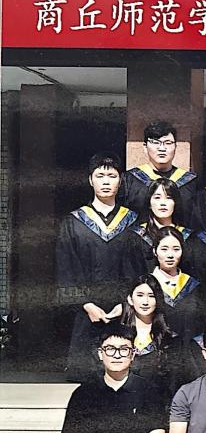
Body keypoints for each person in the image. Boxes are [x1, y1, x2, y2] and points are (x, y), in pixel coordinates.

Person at [57, 151, 142, 382]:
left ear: (120, 181)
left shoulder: (133, 221)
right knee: (86, 381)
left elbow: (139, 268)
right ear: (90, 180)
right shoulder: (73, 222)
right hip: (86, 314)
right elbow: (66, 268)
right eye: (100, 176)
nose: (106, 182)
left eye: (112, 176)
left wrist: (126, 304)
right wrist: (87, 305)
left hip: (124, 312)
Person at [120, 120, 200, 227]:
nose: (162, 148)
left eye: (168, 143)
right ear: (145, 147)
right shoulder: (129, 180)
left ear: (175, 147)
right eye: (155, 142)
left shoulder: (191, 182)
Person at [119, 274, 181, 396]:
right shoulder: (117, 336)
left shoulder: (170, 340)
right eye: (140, 295)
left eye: (151, 296)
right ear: (130, 299)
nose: (145, 302)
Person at [151, 227, 203, 340]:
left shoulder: (192, 285)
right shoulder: (146, 285)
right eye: (164, 249)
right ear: (155, 251)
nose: (170, 255)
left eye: (176, 249)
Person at [132, 178, 192, 272]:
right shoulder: (136, 236)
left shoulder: (188, 236)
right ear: (149, 203)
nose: (163, 203)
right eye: (157, 198)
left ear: (175, 202)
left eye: (169, 198)